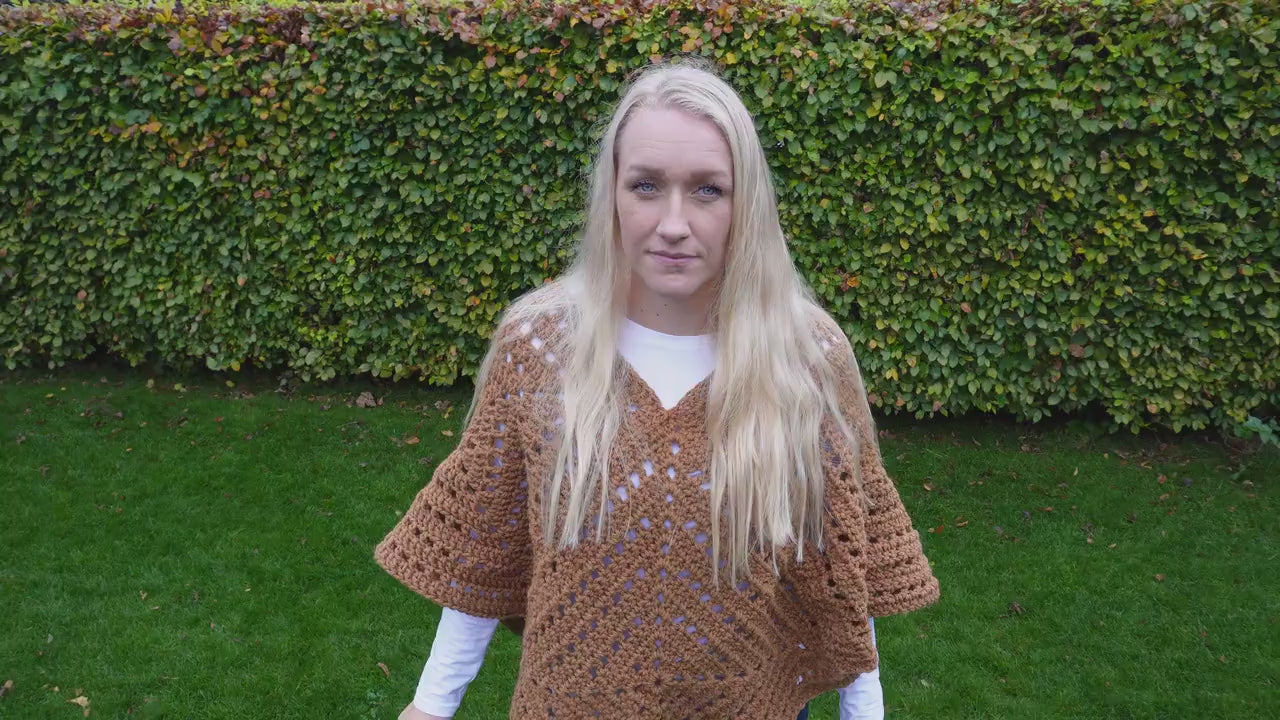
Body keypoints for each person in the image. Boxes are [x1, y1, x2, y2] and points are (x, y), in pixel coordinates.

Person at [375, 58, 940, 720]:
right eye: (646, 186)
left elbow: (846, 571)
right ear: (612, 193)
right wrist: (432, 703)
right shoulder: (539, 348)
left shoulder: (806, 360)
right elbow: (485, 550)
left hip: (748, 702)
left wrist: (863, 709)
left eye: (707, 191)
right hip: (573, 700)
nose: (674, 222)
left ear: (745, 203)